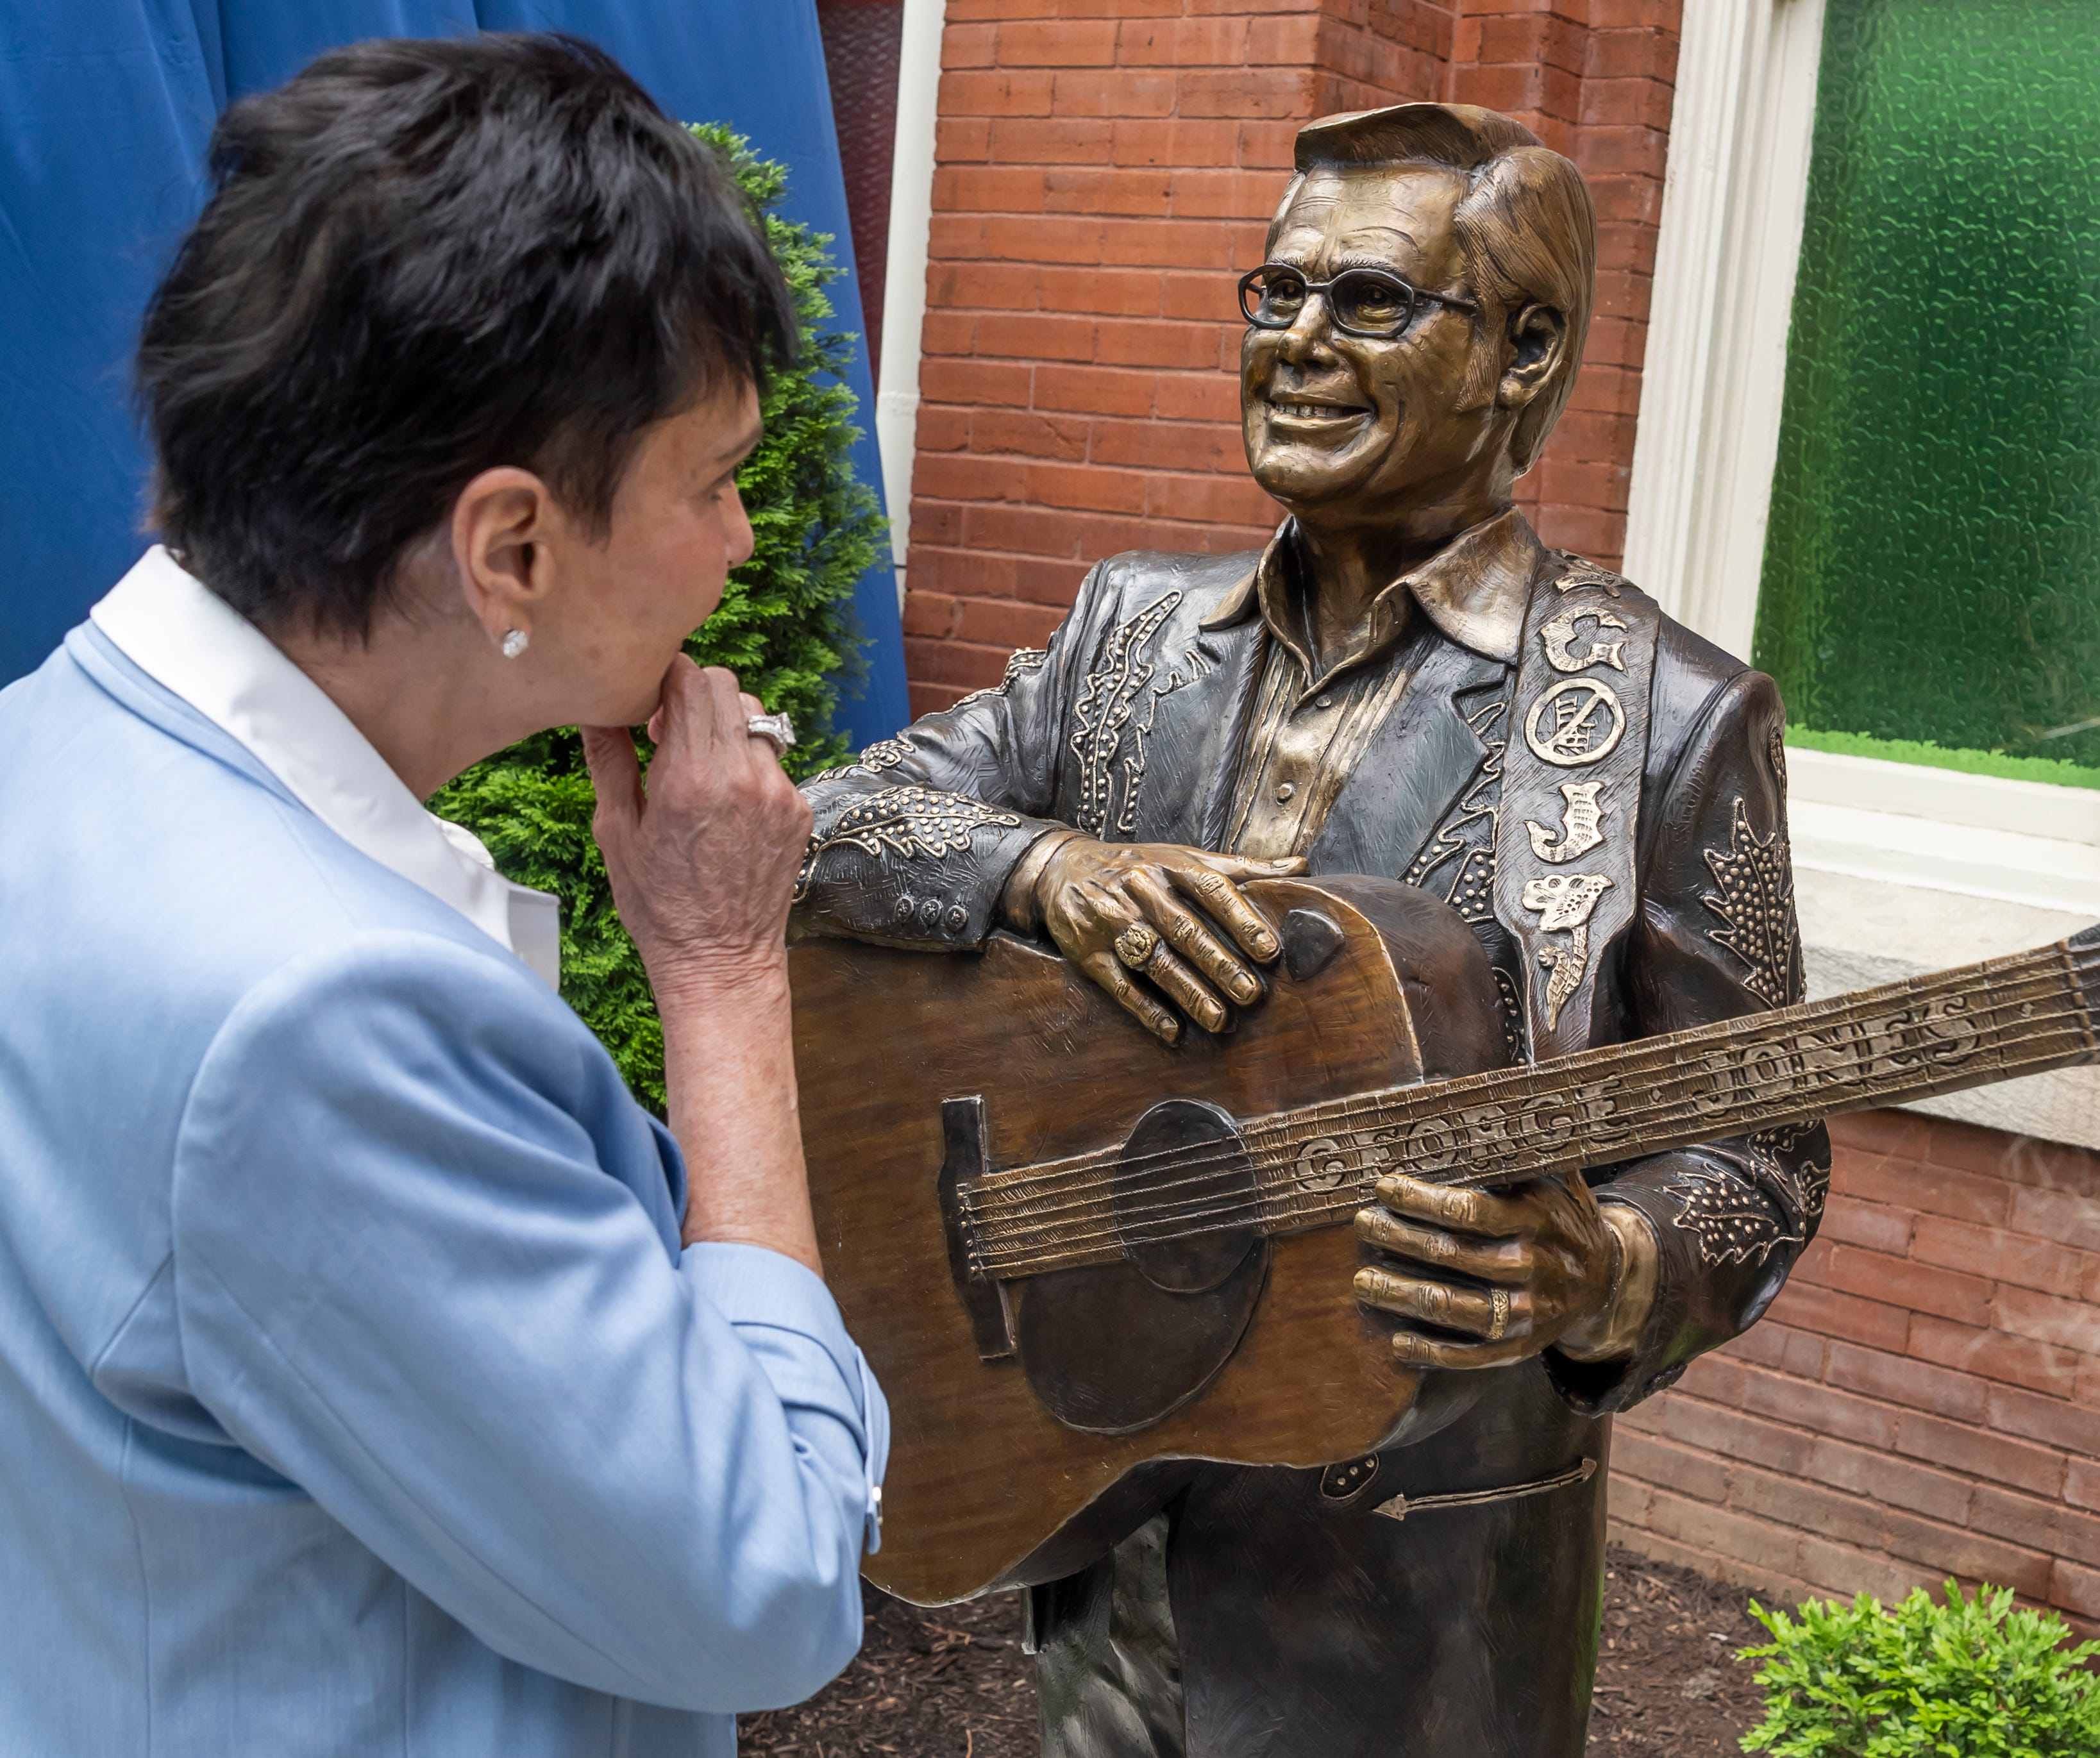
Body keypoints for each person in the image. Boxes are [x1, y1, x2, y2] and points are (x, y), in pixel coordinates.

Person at [791, 104, 1828, 1756]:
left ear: (1526, 350)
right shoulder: (1128, 632)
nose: (1296, 346)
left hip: (1423, 1607)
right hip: (1108, 1519)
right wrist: (1040, 871)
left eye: (1369, 302)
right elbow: (824, 832)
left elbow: (1763, 1150)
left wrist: (1607, 1266)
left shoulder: (1668, 722)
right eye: (1272, 297)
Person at [0, 35, 884, 1758]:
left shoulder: (44, 754)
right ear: (510, 549)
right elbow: (763, 1580)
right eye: (713, 483)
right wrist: (714, 972)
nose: (741, 547)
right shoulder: (320, 1020)